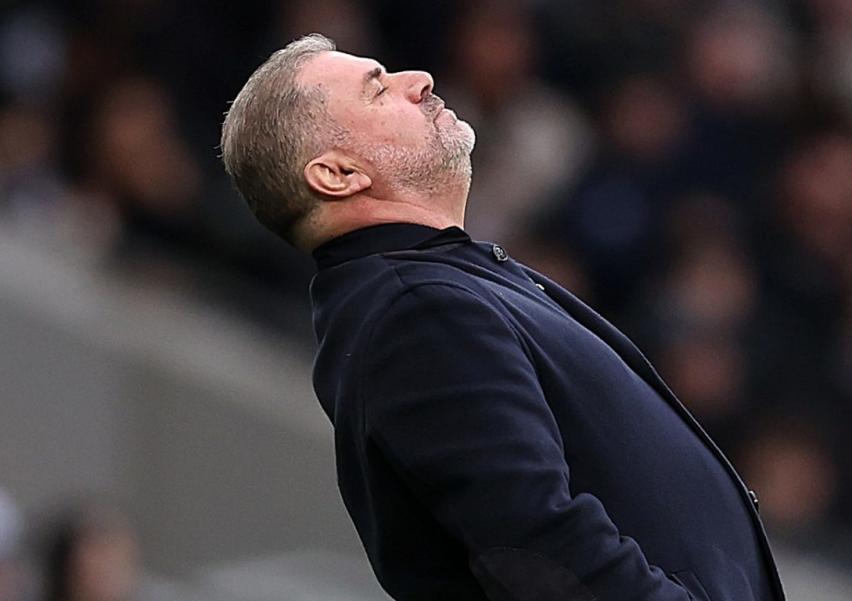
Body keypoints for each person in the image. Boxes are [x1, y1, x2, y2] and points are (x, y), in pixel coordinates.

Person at [220, 33, 786, 601]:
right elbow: (537, 547)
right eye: (378, 89)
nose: (419, 80)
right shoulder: (415, 312)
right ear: (337, 175)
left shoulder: (439, 288)